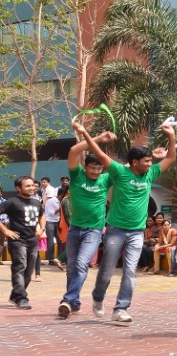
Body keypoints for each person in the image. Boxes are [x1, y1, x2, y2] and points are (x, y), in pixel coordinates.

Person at [83, 121, 177, 322]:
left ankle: (120, 308)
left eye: (151, 161)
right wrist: (87, 134)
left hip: (136, 232)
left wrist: (171, 135)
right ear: (135, 162)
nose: (150, 164)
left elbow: (170, 157)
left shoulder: (150, 174)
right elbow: (98, 154)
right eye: (146, 161)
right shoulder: (119, 171)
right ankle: (98, 297)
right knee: (107, 270)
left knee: (130, 271)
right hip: (115, 230)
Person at [58, 124, 117, 318]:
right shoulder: (76, 176)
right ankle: (74, 302)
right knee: (72, 269)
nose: (96, 171)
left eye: (99, 168)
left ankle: (67, 300)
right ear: (86, 167)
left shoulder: (106, 179)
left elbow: (129, 168)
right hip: (75, 229)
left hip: (94, 231)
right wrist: (98, 138)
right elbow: (74, 150)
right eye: (93, 167)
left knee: (82, 264)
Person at [0, 176, 43, 309]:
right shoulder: (12, 202)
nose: (31, 188)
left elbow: (43, 215)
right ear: (18, 188)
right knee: (20, 267)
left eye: (33, 185)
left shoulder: (36, 202)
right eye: (27, 186)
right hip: (18, 240)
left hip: (32, 240)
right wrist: (6, 231)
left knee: (29, 272)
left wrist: (42, 228)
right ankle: (21, 297)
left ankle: (15, 296)